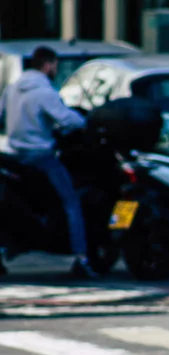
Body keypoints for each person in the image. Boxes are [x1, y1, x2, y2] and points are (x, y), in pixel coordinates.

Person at [0, 46, 95, 278]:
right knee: (71, 202)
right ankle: (81, 258)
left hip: (14, 156)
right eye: (55, 66)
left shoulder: (12, 89)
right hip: (41, 156)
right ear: (48, 64)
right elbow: (66, 119)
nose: (55, 70)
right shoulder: (45, 92)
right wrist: (86, 121)